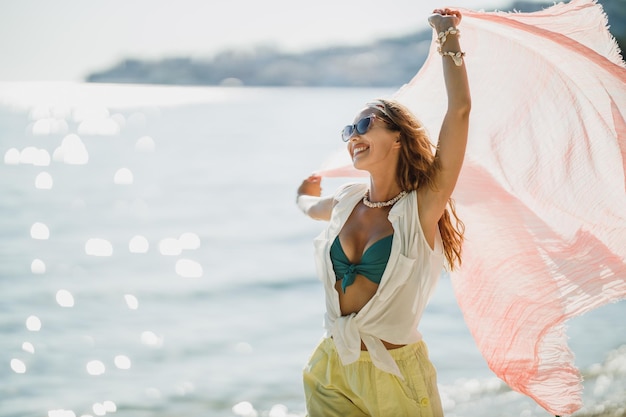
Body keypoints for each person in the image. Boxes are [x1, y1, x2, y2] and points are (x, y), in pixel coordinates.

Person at [295, 8, 470, 417]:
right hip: (332, 367)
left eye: (364, 125)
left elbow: (459, 110)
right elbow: (309, 208)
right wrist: (302, 194)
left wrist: (447, 36)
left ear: (397, 137)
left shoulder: (422, 208)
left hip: (395, 375)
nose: (353, 137)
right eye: (348, 132)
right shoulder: (345, 201)